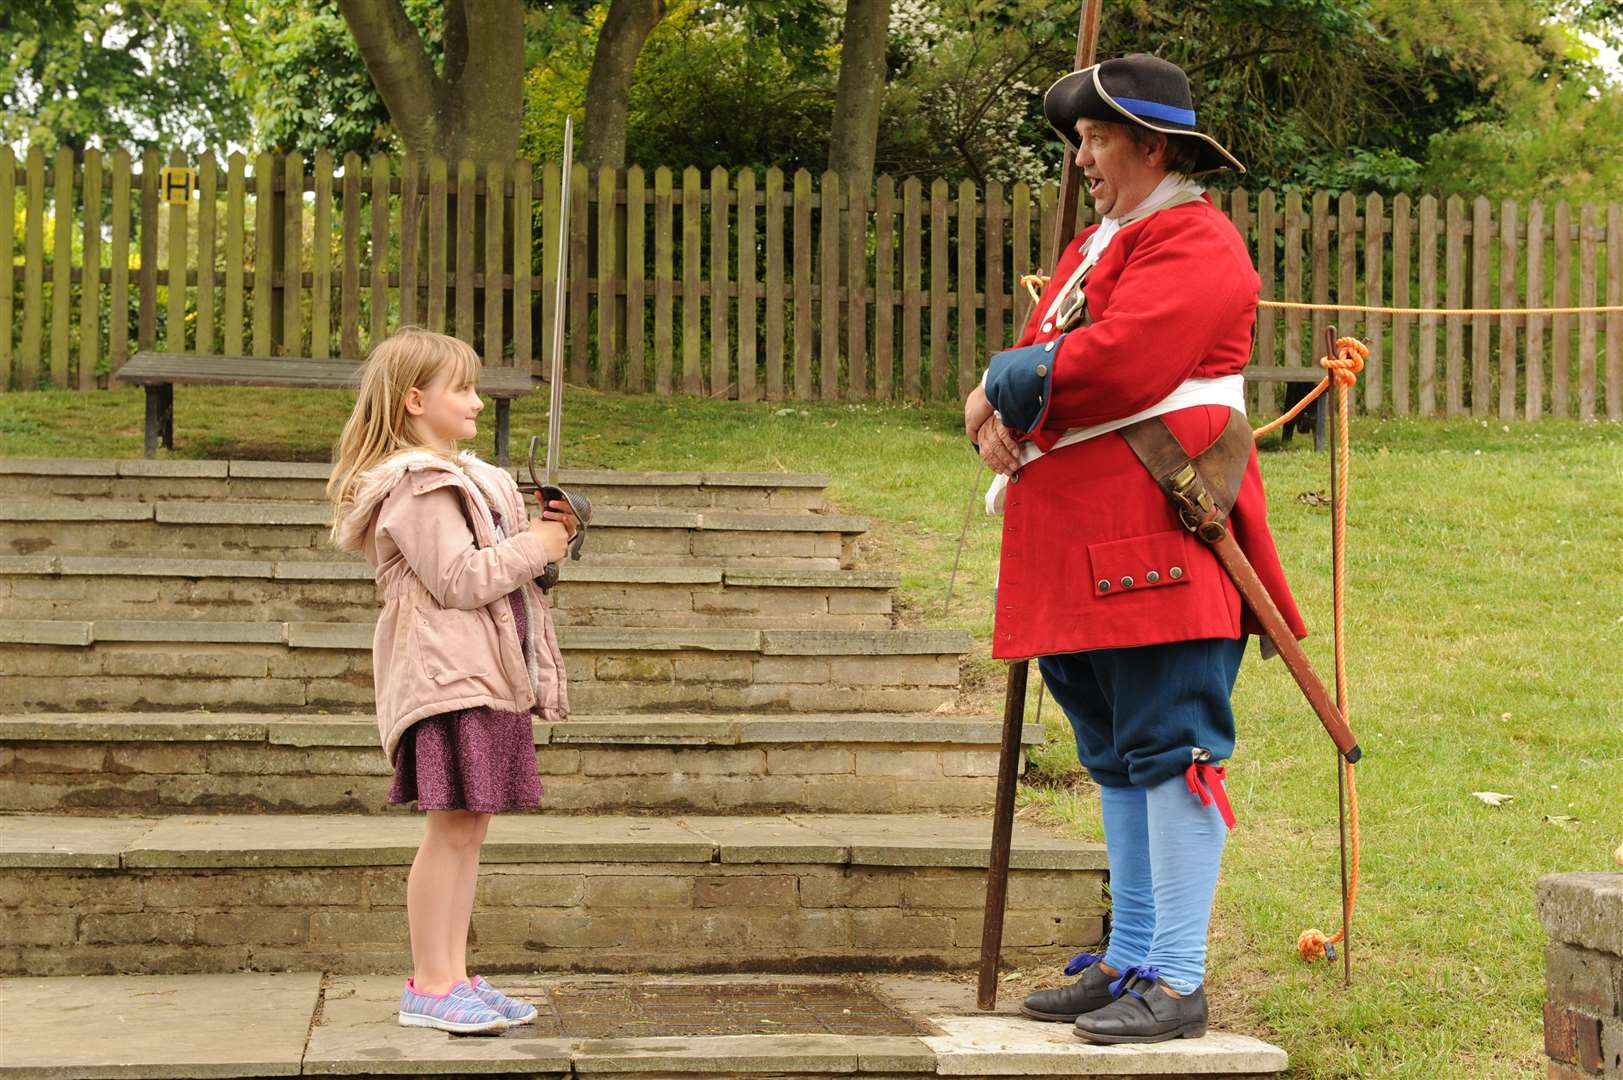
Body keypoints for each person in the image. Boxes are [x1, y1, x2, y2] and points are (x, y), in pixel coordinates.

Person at [962, 54, 1308, 1044]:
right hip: (1078, 544)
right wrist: (991, 413)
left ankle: (1179, 978)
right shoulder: (1096, 246)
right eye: (1081, 138)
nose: (1083, 156)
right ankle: (1133, 958)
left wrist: (1000, 384)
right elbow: (1047, 353)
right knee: (1116, 755)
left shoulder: (1197, 244)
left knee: (1172, 749)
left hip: (1157, 535)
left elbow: (1121, 361)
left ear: (1153, 147)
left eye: (1097, 138)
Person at [328, 326, 579, 1035]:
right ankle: (430, 984)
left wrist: (546, 541)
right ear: (415, 400)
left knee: (470, 828)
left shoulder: (472, 479)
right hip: (447, 675)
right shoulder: (416, 486)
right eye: (461, 389)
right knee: (449, 831)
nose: (475, 401)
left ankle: (453, 974)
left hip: (488, 672)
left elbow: (503, 569)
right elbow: (462, 578)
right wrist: (536, 545)